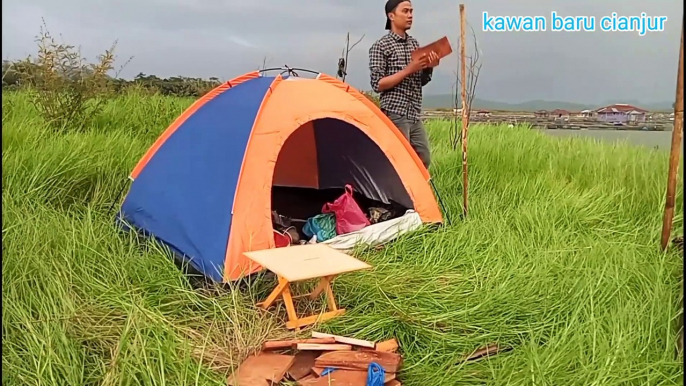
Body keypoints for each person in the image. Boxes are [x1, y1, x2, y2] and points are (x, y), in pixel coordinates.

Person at [369, 0, 439, 170]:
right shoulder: (381, 46)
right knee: (399, 163)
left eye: (411, 11)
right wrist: (409, 69)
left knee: (423, 160)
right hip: (395, 112)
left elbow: (419, 81)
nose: (410, 15)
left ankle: (416, 195)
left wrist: (428, 69)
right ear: (391, 16)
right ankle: (395, 195)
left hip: (413, 112)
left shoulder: (414, 44)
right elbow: (378, 84)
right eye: (405, 11)